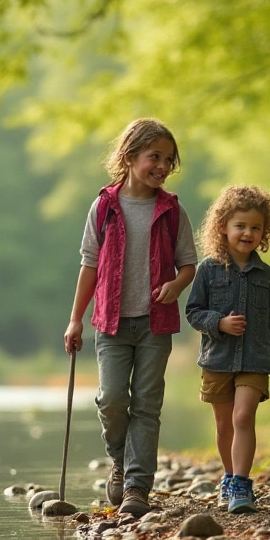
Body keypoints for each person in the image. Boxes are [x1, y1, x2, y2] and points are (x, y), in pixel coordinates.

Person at [64, 118, 198, 517]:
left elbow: (189, 263)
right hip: (111, 322)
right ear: (129, 156)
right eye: (154, 157)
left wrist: (176, 285)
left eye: (168, 160)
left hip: (155, 323)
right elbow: (89, 265)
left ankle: (137, 485)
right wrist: (75, 319)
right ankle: (119, 462)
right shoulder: (104, 206)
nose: (162, 166)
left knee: (146, 403)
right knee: (111, 399)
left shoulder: (172, 211)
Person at [185, 184, 270, 514]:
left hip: (254, 358)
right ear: (223, 227)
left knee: (243, 416)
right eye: (240, 226)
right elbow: (193, 312)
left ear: (264, 232)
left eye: (255, 227)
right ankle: (229, 475)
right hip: (217, 358)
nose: (247, 233)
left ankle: (241, 485)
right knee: (224, 427)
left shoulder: (266, 275)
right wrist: (219, 323)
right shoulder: (208, 269)